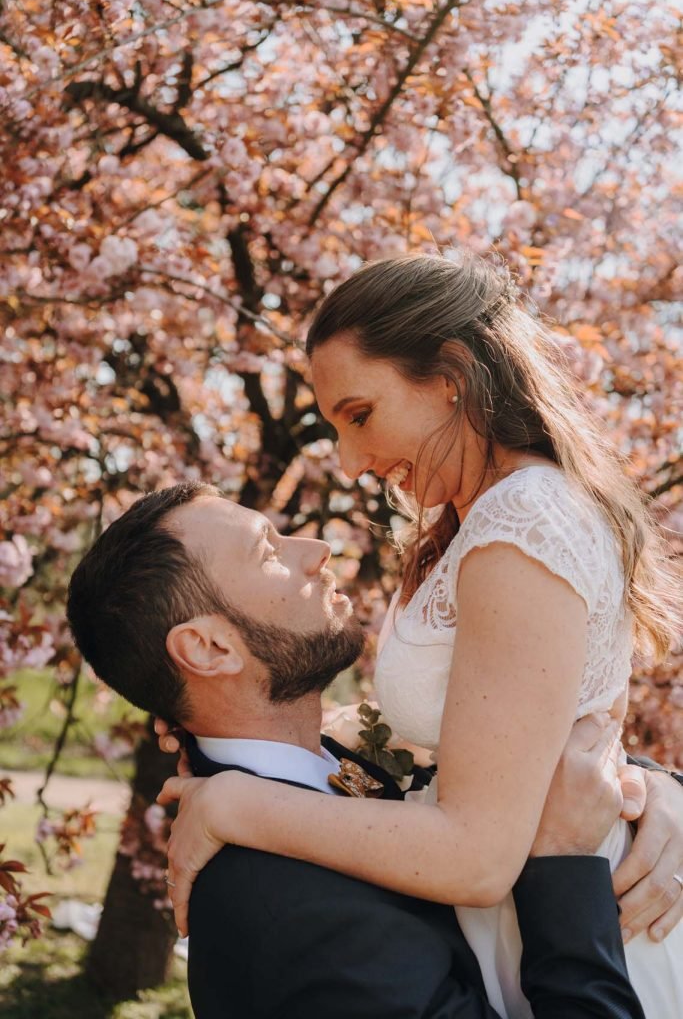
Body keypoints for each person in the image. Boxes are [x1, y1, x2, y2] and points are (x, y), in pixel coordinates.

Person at [154, 253, 683, 1018]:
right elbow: (493, 739)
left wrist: (235, 805)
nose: (351, 461)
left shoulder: (521, 523)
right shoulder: (467, 527)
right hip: (516, 923)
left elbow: (475, 856)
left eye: (360, 415)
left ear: (450, 375)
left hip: (585, 927)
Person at [66, 482, 650, 1018]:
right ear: (209, 648)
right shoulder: (290, 912)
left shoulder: (340, 766)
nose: (315, 548)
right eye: (267, 551)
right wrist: (567, 865)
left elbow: (496, 768)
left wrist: (648, 795)